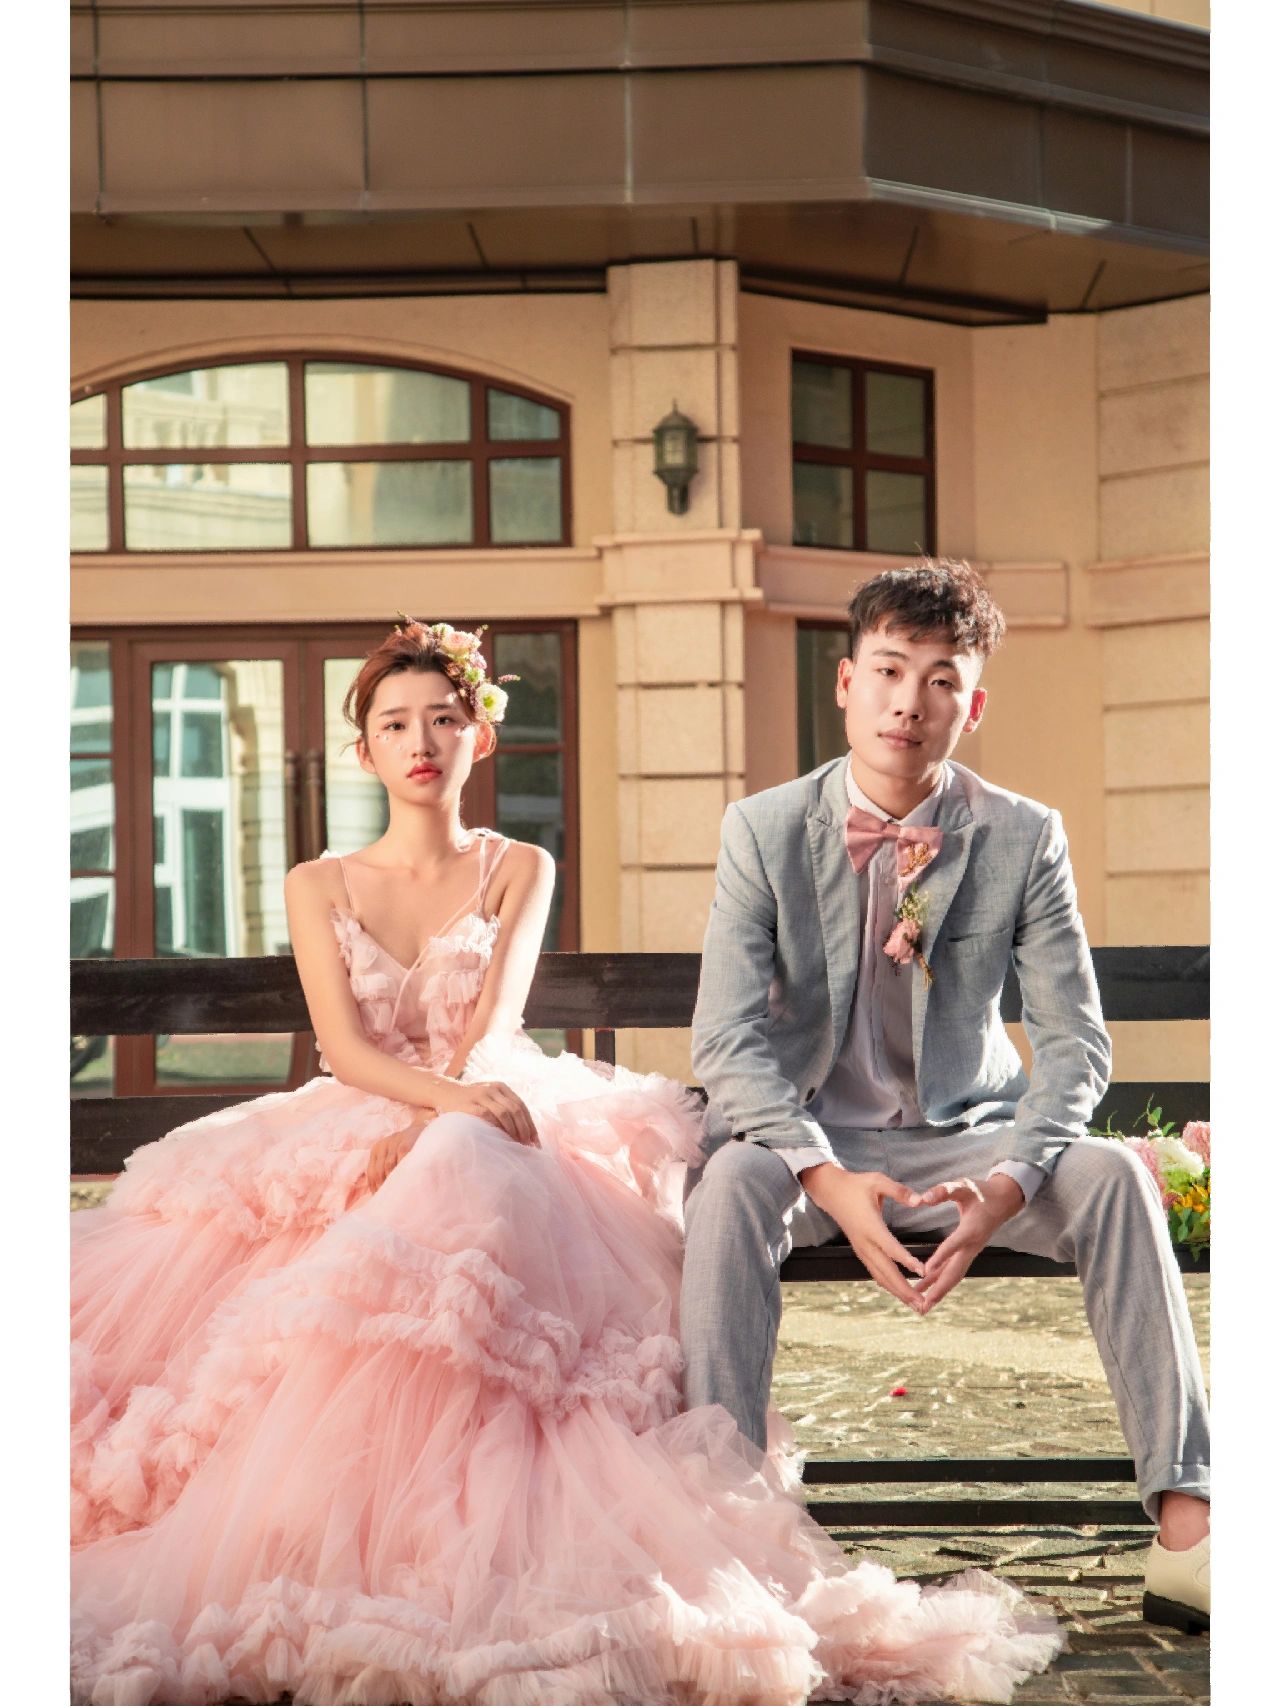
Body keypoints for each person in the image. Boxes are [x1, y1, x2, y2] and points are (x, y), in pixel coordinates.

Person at [72, 615, 1066, 1705]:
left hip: (490, 1098)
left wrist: (452, 1108)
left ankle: (472, 1522)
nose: (420, 742)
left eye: (442, 719)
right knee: (397, 1198)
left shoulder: (519, 866)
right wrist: (426, 1110)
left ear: (479, 736)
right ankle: (337, 1528)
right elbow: (345, 1047)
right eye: (394, 725)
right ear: (362, 750)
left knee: (468, 1157)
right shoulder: (320, 882)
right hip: (364, 1107)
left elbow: (492, 1026)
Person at [683, 560, 1210, 1637]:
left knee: (1113, 1177)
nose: (907, 702)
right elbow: (725, 1041)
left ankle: (1189, 1528)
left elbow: (1075, 1042)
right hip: (810, 1141)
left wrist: (1010, 1181)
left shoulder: (1023, 832)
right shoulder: (761, 828)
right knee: (730, 1180)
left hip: (970, 1139)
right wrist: (826, 1178)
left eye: (939, 680)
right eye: (887, 670)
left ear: (971, 706)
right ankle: (719, 1522)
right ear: (845, 682)